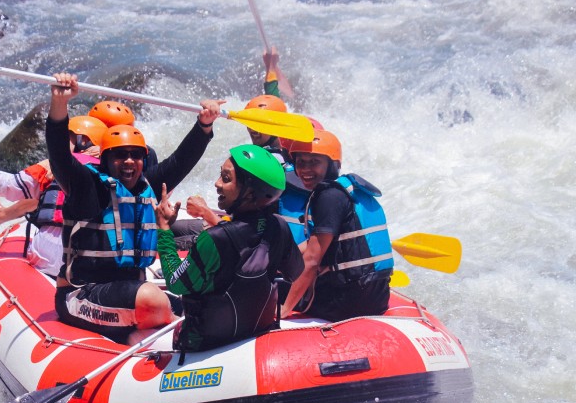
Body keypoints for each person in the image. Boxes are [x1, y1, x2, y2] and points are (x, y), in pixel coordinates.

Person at [45, 72, 224, 342]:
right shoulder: (86, 187)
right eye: (120, 155)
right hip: (83, 293)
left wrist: (204, 126)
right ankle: (166, 332)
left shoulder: (145, 186)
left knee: (206, 304)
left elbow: (181, 161)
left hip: (130, 290)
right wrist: (59, 105)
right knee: (153, 299)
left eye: (135, 155)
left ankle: (147, 333)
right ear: (105, 159)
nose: (129, 162)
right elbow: (59, 155)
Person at [155, 144, 303, 355]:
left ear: (251, 193)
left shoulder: (214, 238)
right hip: (257, 333)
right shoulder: (279, 226)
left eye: (226, 179)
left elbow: (176, 283)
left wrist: (164, 229)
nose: (216, 184)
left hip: (208, 345)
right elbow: (295, 271)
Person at [280, 129, 394, 321]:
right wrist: (282, 257)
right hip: (378, 296)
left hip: (347, 302)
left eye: (314, 162)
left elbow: (312, 261)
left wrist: (284, 310)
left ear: (333, 165)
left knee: (274, 287)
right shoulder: (350, 190)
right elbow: (320, 244)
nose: (305, 169)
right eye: (301, 162)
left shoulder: (328, 197)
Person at [0, 115, 108, 276]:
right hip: (91, 258)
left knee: (39, 190)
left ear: (82, 141)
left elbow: (11, 186)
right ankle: (0, 214)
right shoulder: (114, 171)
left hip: (47, 252)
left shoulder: (50, 166)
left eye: (67, 137)